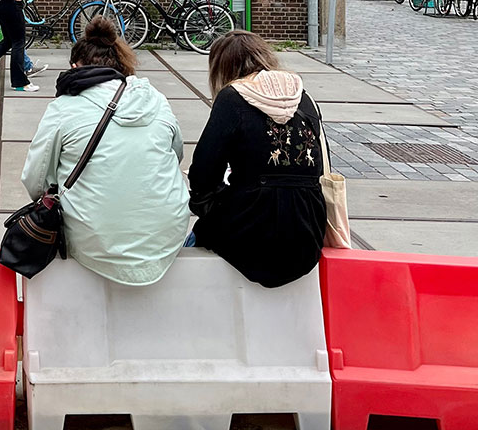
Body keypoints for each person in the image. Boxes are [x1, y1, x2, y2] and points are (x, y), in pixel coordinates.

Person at [21, 17, 190, 285]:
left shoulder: (64, 107)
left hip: (93, 242)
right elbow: (176, 154)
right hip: (167, 235)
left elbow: (35, 180)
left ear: (75, 67)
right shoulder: (155, 98)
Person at [187, 30, 326, 288]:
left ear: (222, 68)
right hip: (308, 235)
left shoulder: (232, 97)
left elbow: (203, 172)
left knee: (197, 237)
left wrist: (209, 205)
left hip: (253, 230)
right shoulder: (303, 96)